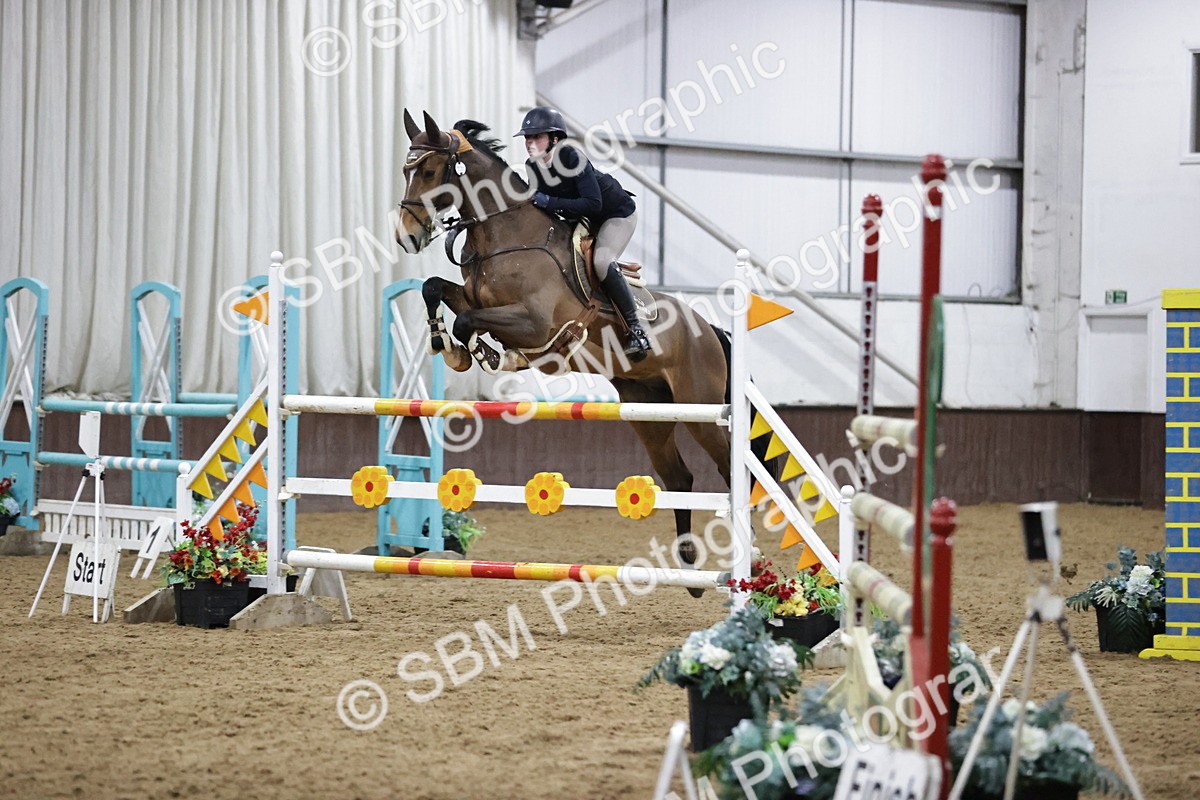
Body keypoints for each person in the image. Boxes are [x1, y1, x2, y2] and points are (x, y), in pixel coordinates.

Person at [515, 106, 651, 363]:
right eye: (527, 138)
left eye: (536, 137)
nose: (529, 143)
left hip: (615, 214)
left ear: (555, 139)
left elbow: (593, 203)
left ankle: (636, 330)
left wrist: (549, 201)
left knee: (601, 261)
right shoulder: (532, 166)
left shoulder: (571, 158)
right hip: (581, 218)